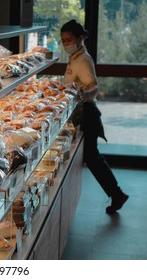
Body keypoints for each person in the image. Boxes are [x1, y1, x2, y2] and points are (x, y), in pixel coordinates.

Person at [60, 19, 129, 214]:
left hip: (87, 115)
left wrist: (85, 95)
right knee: (92, 157)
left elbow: (95, 87)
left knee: (92, 157)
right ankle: (117, 194)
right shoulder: (76, 57)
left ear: (80, 38)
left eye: (70, 39)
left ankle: (117, 194)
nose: (66, 44)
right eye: (64, 40)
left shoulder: (83, 60)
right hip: (82, 113)